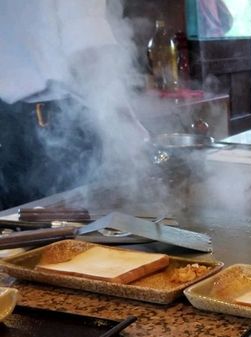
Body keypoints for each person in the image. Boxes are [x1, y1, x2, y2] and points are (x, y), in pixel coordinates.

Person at [0, 0, 148, 211]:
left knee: (14, 232)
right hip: (53, 129)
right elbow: (89, 55)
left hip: (8, 123)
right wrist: (127, 131)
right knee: (71, 234)